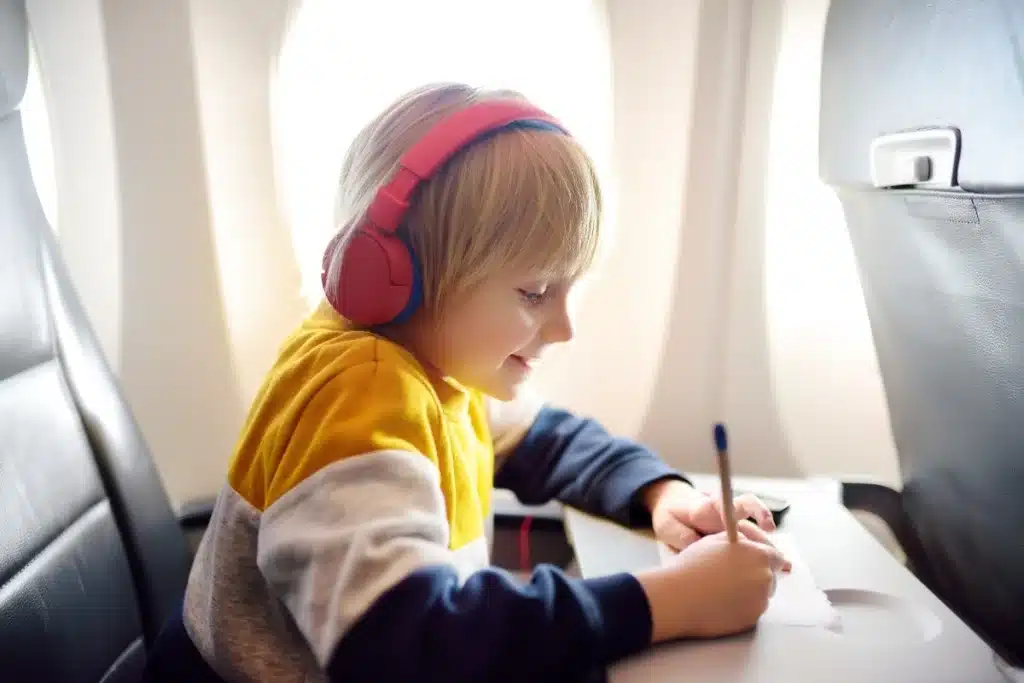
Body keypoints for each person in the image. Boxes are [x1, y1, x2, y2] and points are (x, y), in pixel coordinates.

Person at [144, 82, 790, 683]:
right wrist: (671, 601)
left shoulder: (436, 371)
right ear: (397, 273)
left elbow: (552, 441)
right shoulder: (359, 396)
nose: (564, 328)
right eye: (535, 292)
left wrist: (664, 497)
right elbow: (406, 643)